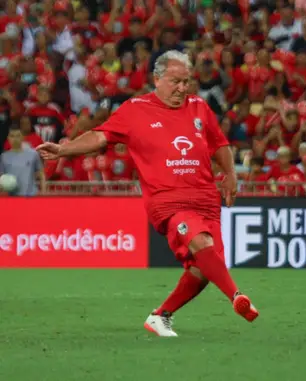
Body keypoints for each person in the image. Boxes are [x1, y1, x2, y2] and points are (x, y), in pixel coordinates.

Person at [37, 50, 259, 337]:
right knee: (199, 240)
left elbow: (219, 144)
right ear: (157, 79)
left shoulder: (199, 107)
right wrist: (64, 149)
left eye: (187, 82)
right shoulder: (135, 109)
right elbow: (100, 136)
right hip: (167, 200)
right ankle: (237, 296)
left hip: (205, 197)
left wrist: (230, 175)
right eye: (176, 81)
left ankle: (160, 315)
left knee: (204, 267)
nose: (182, 88)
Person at [0, 125, 46, 196]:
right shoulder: (3, 157)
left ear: (22, 137)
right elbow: (1, 177)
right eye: (12, 136)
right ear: (8, 138)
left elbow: (41, 174)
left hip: (31, 196)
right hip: (13, 198)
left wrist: (43, 192)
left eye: (18, 136)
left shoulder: (33, 154)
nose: (15, 139)